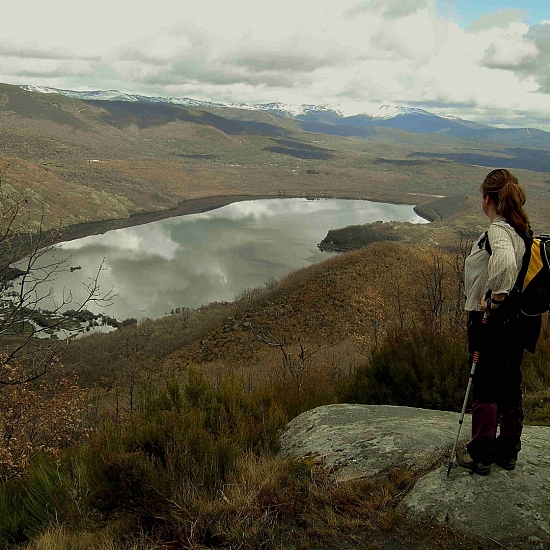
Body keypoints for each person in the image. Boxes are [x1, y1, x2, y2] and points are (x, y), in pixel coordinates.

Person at [458, 168, 541, 475]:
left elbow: (504, 264)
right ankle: (508, 451)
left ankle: (481, 454)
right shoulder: (521, 227)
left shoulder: (498, 230)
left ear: (488, 199)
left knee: (485, 386)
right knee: (509, 384)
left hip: (492, 320)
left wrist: (494, 301)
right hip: (517, 323)